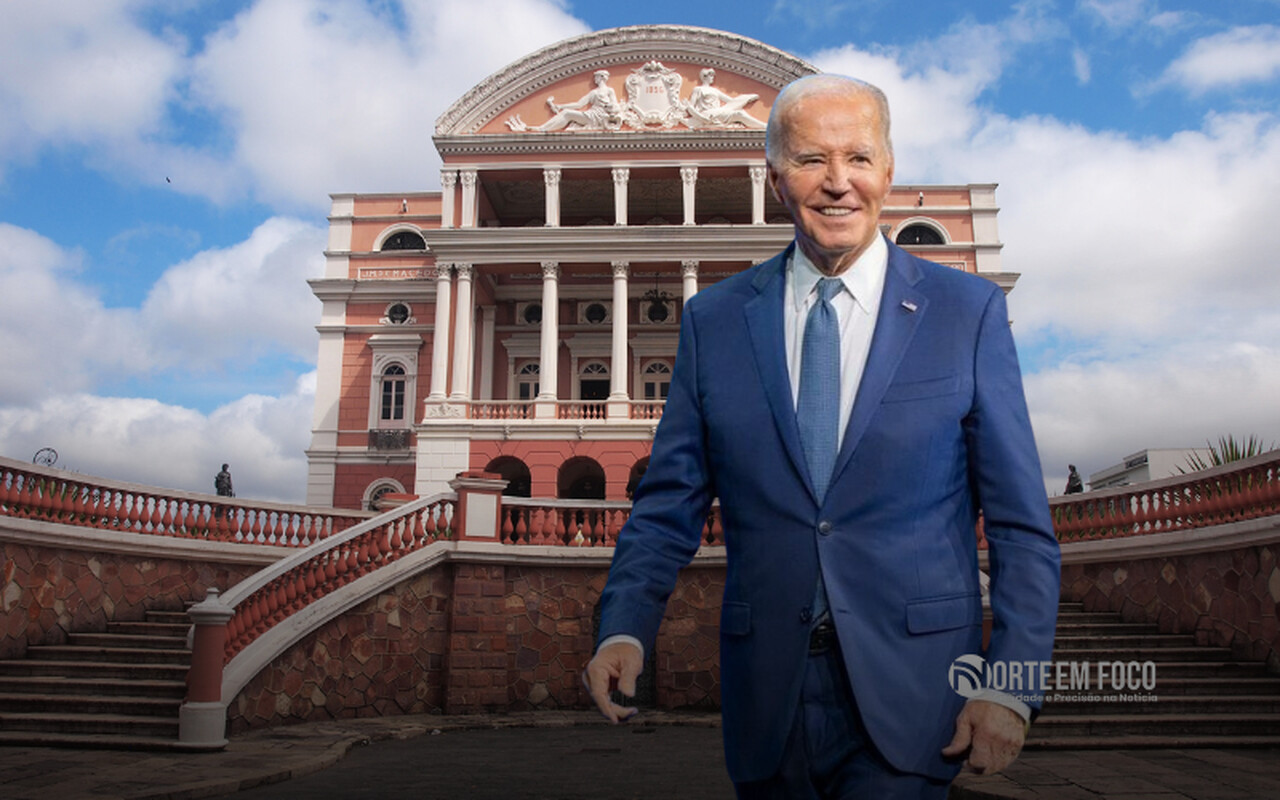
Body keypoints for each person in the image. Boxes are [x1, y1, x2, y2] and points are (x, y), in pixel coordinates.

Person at [586, 74, 1061, 798]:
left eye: (859, 159)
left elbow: (1023, 526)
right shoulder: (713, 323)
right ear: (777, 179)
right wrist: (623, 626)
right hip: (768, 698)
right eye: (812, 160)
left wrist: (1014, 686)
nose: (838, 183)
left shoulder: (965, 313)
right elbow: (666, 506)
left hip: (916, 695)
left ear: (888, 172)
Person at [686, 68, 768, 129]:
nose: (712, 78)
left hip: (718, 112)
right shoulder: (698, 89)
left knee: (740, 112)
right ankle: (764, 127)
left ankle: (763, 126)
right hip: (708, 114)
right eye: (710, 76)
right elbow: (690, 107)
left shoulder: (715, 91)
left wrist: (745, 100)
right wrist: (702, 118)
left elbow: (731, 102)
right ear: (704, 77)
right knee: (739, 114)